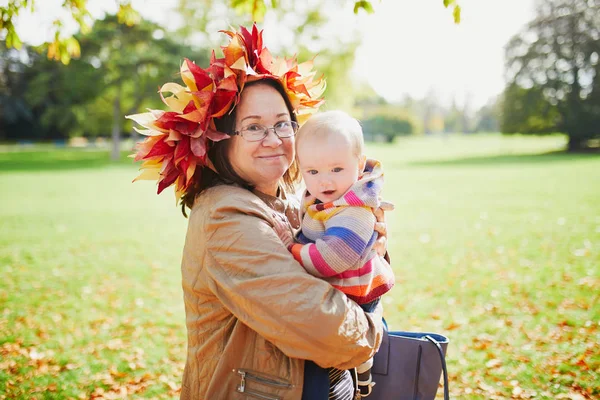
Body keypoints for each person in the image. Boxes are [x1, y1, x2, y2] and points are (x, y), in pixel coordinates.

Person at [126, 25, 388, 400]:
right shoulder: (226, 218)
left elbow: (359, 262)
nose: (274, 139)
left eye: (283, 124)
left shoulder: (296, 199)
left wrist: (365, 233)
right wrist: (372, 322)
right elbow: (332, 332)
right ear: (217, 141)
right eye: (253, 127)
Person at [289, 110, 396, 397]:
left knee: (357, 347)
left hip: (358, 291)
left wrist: (291, 249)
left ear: (359, 165)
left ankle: (363, 379)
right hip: (341, 289)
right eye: (312, 171)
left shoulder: (354, 210)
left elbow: (330, 259)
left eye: (337, 169)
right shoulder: (326, 196)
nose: (325, 181)